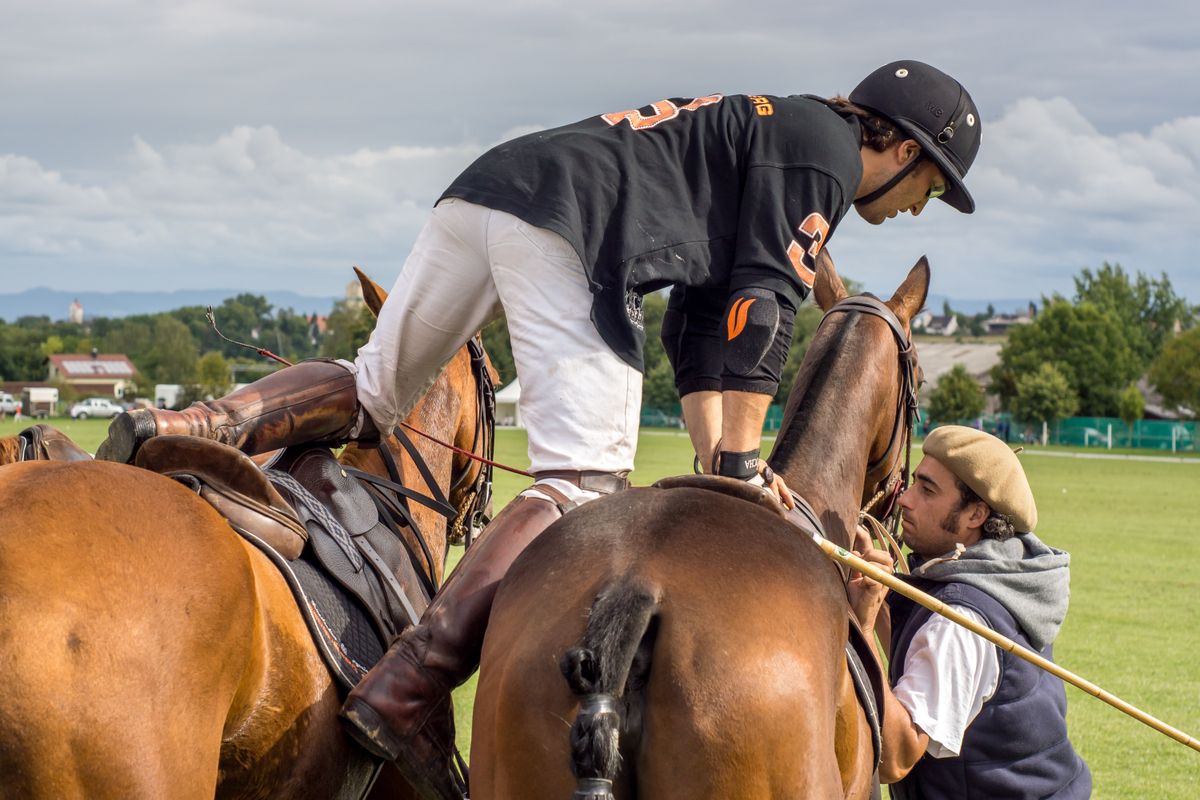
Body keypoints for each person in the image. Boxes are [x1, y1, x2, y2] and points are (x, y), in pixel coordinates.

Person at [96, 60, 982, 798]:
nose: (916, 208)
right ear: (901, 147)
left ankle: (180, 424)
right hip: (572, 225)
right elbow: (759, 309)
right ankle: (411, 681)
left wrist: (725, 466)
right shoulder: (821, 156)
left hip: (487, 191)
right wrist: (749, 462)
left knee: (374, 391)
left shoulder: (776, 131)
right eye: (929, 187)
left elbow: (706, 331)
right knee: (584, 482)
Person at [848, 425, 1092, 799]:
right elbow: (920, 649)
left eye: (927, 490)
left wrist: (863, 627)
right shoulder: (1003, 576)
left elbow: (895, 757)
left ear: (976, 514)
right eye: (913, 484)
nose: (905, 500)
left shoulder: (963, 622)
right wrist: (869, 585)